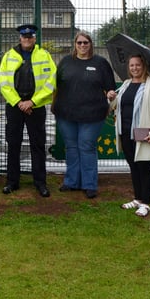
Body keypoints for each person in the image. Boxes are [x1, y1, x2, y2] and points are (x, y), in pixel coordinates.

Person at [53, 31, 116, 199]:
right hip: (66, 114)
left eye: (85, 43)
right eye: (79, 43)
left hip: (93, 115)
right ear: (75, 44)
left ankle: (89, 184)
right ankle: (72, 181)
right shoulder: (65, 62)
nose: (82, 46)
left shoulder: (101, 63)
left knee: (86, 146)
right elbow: (56, 84)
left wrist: (110, 93)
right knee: (72, 148)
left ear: (91, 44)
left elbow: (110, 86)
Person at [0, 24, 57, 197]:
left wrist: (32, 102)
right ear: (20, 38)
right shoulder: (9, 56)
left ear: (34, 38)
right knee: (13, 144)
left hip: (36, 107)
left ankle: (40, 183)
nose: (27, 39)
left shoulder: (45, 55)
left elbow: (51, 82)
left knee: (38, 145)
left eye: (30, 36)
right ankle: (12, 182)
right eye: (24, 37)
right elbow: (3, 84)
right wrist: (19, 103)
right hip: (15, 107)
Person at [110, 54, 150, 218]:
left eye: (138, 65)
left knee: (145, 167)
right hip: (125, 132)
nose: (135, 68)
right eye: (132, 65)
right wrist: (112, 98)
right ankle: (137, 198)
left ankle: (146, 204)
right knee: (133, 166)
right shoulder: (126, 84)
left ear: (144, 66)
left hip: (144, 133)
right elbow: (116, 106)